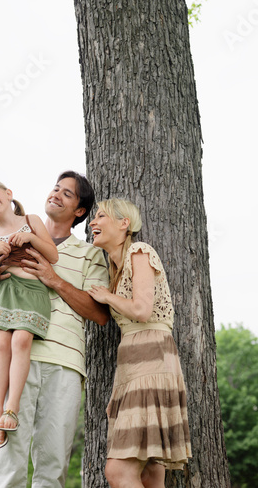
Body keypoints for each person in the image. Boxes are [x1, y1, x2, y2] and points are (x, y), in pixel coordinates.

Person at [0, 171, 110, 487]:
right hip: (13, 362)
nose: (56, 194)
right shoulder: (9, 238)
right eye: (55, 188)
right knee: (6, 461)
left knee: (51, 464)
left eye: (67, 194)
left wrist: (53, 279)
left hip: (64, 364)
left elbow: (100, 314)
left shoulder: (90, 254)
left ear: (80, 211)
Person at [88, 198, 192, 488]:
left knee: (118, 471)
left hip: (152, 357)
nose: (93, 223)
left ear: (124, 224)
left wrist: (107, 296)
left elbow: (142, 310)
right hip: (131, 364)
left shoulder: (139, 251)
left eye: (100, 216)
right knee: (148, 473)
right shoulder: (113, 266)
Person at [0, 179, 58, 450]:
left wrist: (31, 238)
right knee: (2, 345)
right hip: (6, 292)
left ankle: (12, 407)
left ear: (8, 194)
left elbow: (53, 255)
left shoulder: (31, 220)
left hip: (32, 291)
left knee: (21, 341)